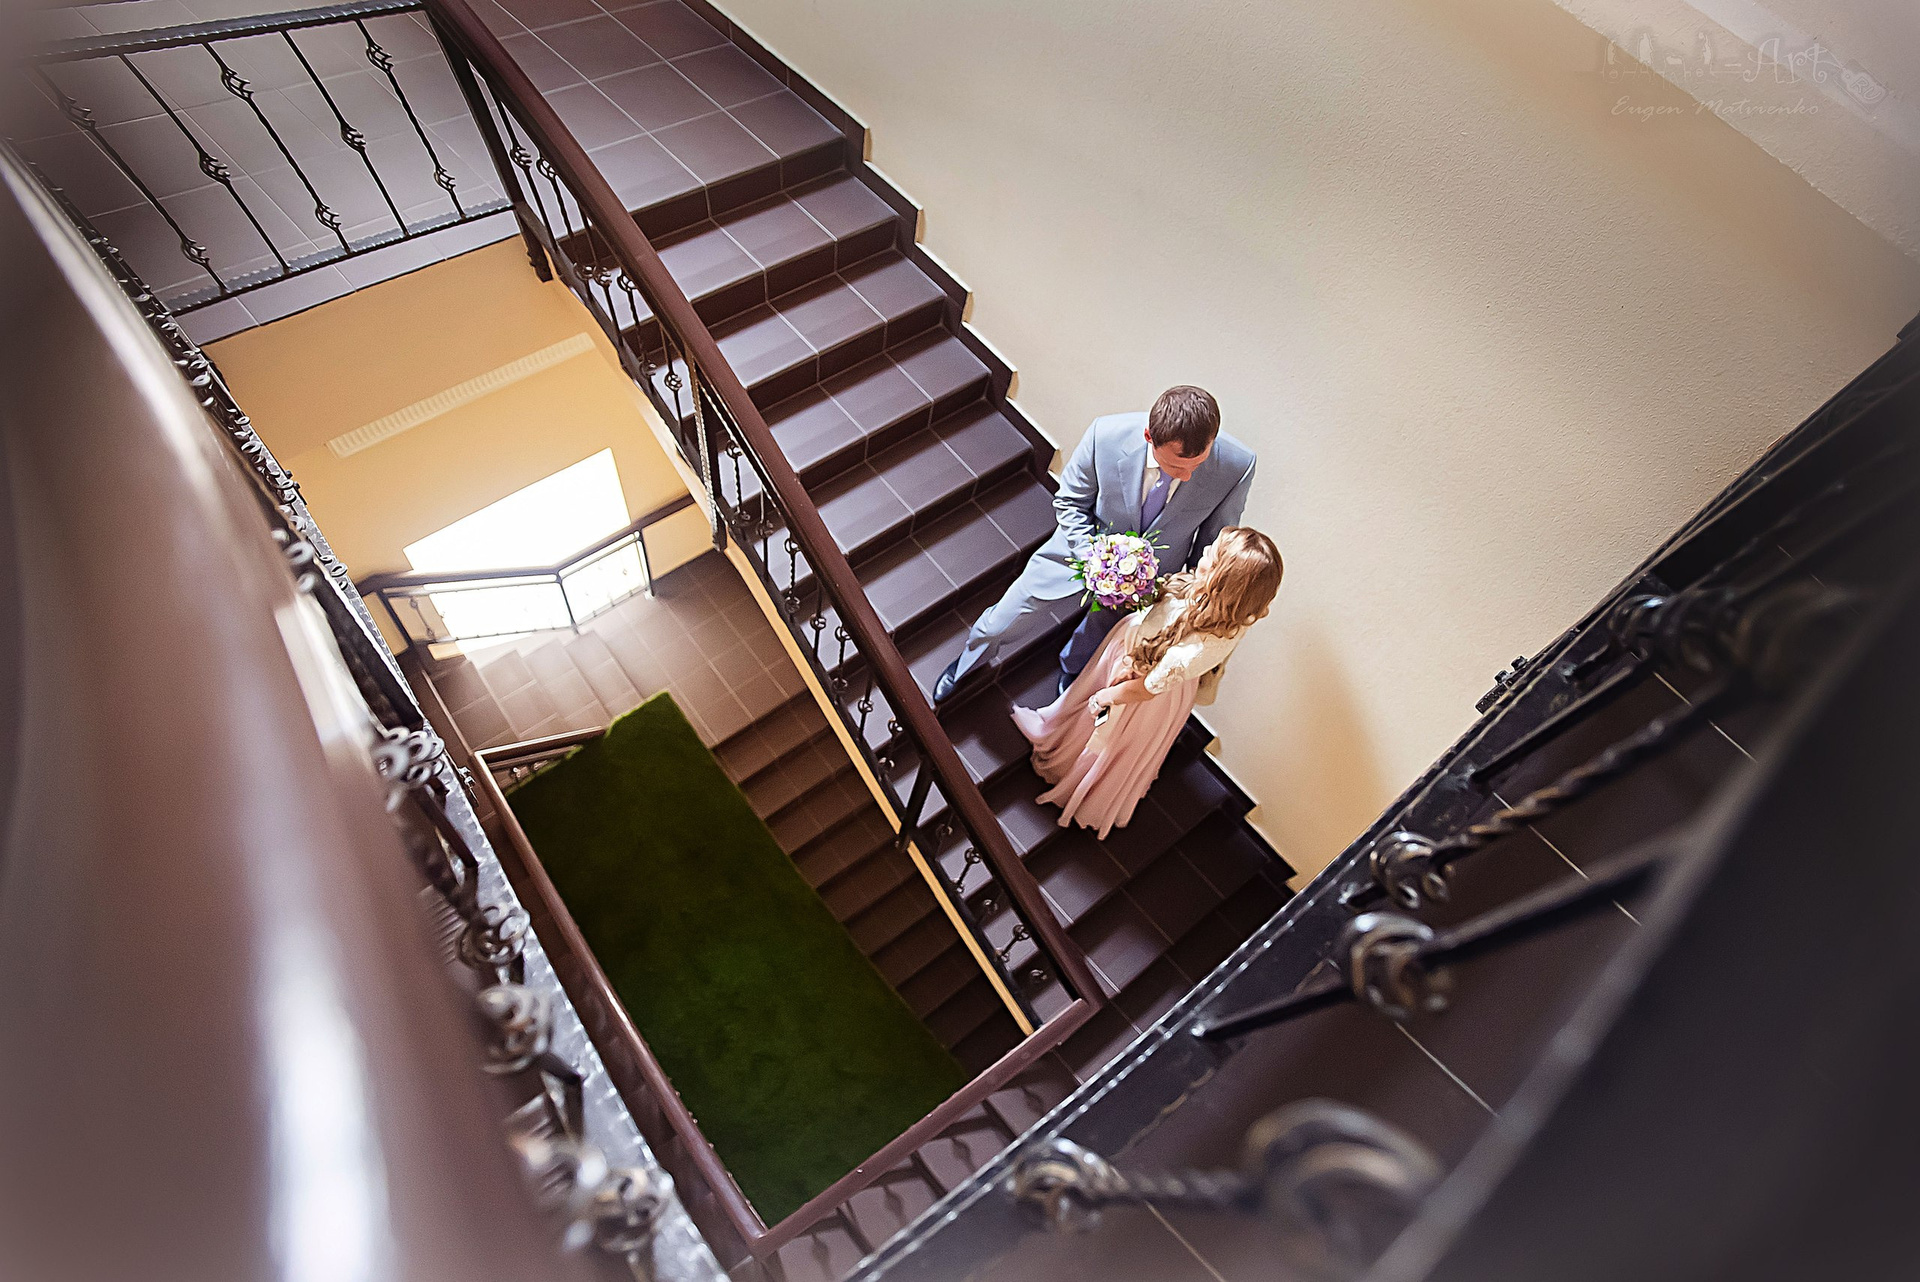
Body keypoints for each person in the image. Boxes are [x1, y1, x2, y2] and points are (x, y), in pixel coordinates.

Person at [933, 385, 1256, 703]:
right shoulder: (1106, 435)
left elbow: (1213, 544)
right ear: (1148, 436)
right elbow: (1070, 502)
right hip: (1079, 547)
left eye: (1196, 466)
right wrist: (1096, 561)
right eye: (1174, 467)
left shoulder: (1237, 466)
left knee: (1098, 637)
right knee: (1002, 621)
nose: (1185, 476)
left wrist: (1181, 597)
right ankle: (966, 664)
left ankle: (1072, 670)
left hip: (1152, 580)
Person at [1012, 527, 1283, 839]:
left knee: (1112, 734)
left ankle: (1078, 776)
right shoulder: (1221, 604)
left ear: (1224, 582)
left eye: (1214, 554)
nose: (1206, 550)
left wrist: (1105, 696)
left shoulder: (1196, 649)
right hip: (1131, 652)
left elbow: (1145, 689)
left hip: (1139, 690)